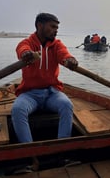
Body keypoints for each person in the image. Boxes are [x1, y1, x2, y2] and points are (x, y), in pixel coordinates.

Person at [11, 13, 78, 144]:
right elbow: (22, 49)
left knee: (66, 105)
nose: (55, 31)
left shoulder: (57, 45)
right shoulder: (27, 43)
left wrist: (70, 60)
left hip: (52, 93)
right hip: (29, 94)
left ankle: (62, 150)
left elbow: (64, 54)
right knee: (18, 110)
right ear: (39, 25)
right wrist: (26, 54)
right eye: (52, 27)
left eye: (57, 28)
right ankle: (29, 153)